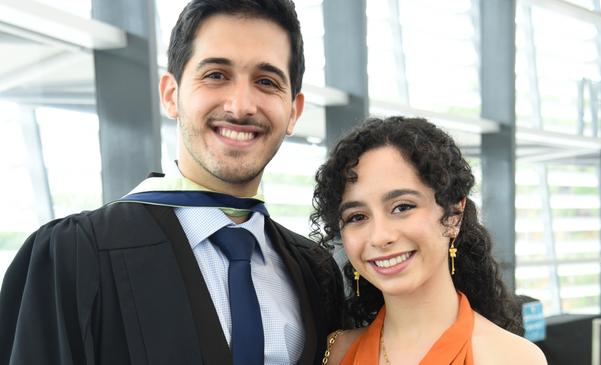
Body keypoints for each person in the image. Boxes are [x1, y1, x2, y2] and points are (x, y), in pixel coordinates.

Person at [0, 1, 345, 364]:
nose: (241, 105)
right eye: (216, 75)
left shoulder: (315, 273)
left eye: (266, 82)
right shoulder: (75, 257)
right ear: (170, 94)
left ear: (294, 111)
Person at [311, 116, 547, 364]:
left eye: (402, 207)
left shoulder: (514, 358)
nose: (380, 237)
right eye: (357, 216)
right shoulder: (336, 351)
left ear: (453, 214)